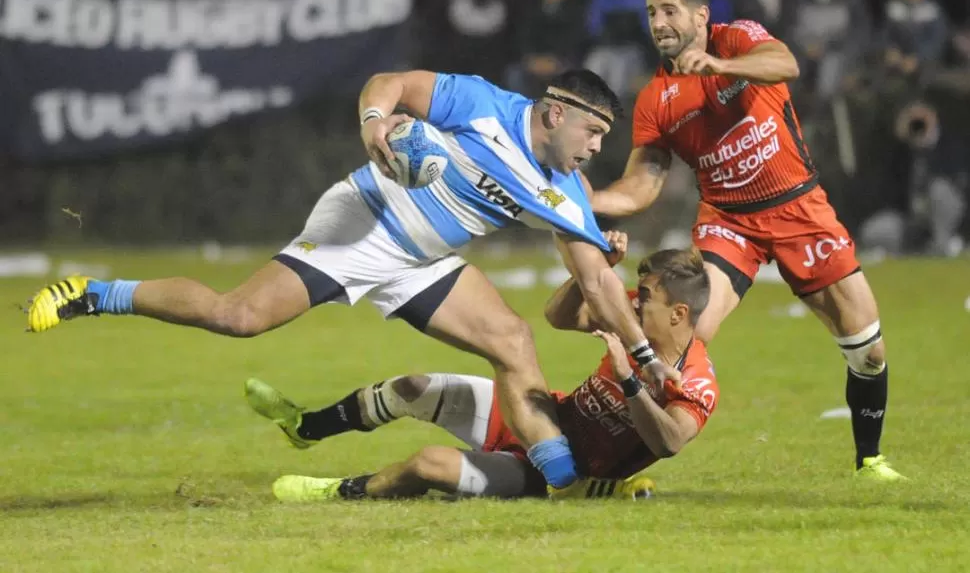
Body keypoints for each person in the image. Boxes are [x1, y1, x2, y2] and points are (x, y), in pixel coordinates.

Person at [25, 69, 680, 492]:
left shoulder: (564, 194)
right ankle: (94, 292)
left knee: (512, 341)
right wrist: (374, 122)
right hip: (363, 224)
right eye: (593, 132)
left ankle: (561, 487)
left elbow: (595, 283)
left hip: (424, 259)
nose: (596, 148)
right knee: (238, 316)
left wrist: (643, 354)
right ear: (554, 113)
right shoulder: (480, 104)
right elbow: (390, 81)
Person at [591, 0, 905, 481]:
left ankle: (869, 459)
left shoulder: (740, 39)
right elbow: (644, 180)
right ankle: (615, 461)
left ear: (700, 15)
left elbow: (786, 63)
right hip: (728, 223)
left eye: (669, 10)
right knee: (683, 330)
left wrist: (717, 64)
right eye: (652, 12)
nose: (659, 22)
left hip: (799, 208)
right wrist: (595, 199)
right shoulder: (655, 99)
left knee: (868, 351)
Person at [244, 243, 718, 502]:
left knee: (427, 464)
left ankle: (338, 493)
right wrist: (588, 276)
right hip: (541, 418)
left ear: (678, 314)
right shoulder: (634, 330)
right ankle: (306, 427)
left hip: (552, 475)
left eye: (646, 298)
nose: (633, 302)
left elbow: (669, 443)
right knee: (413, 387)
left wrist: (630, 381)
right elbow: (558, 316)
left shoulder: (697, 380)